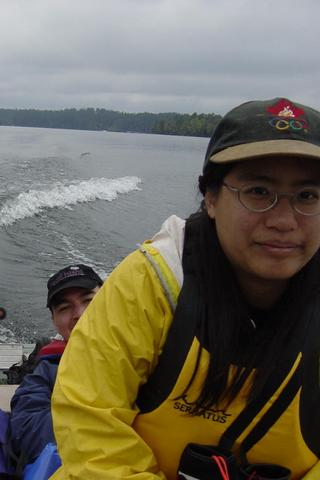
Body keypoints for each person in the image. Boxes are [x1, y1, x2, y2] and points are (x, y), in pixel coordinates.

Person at [51, 98, 320, 479]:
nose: (283, 220)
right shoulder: (154, 282)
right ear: (210, 197)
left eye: (308, 196)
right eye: (259, 191)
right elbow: (89, 419)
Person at [9, 264, 102, 464]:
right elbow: (28, 434)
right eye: (64, 308)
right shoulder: (47, 370)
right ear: (54, 321)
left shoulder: (149, 352)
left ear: (110, 302)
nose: (79, 313)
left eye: (89, 300)